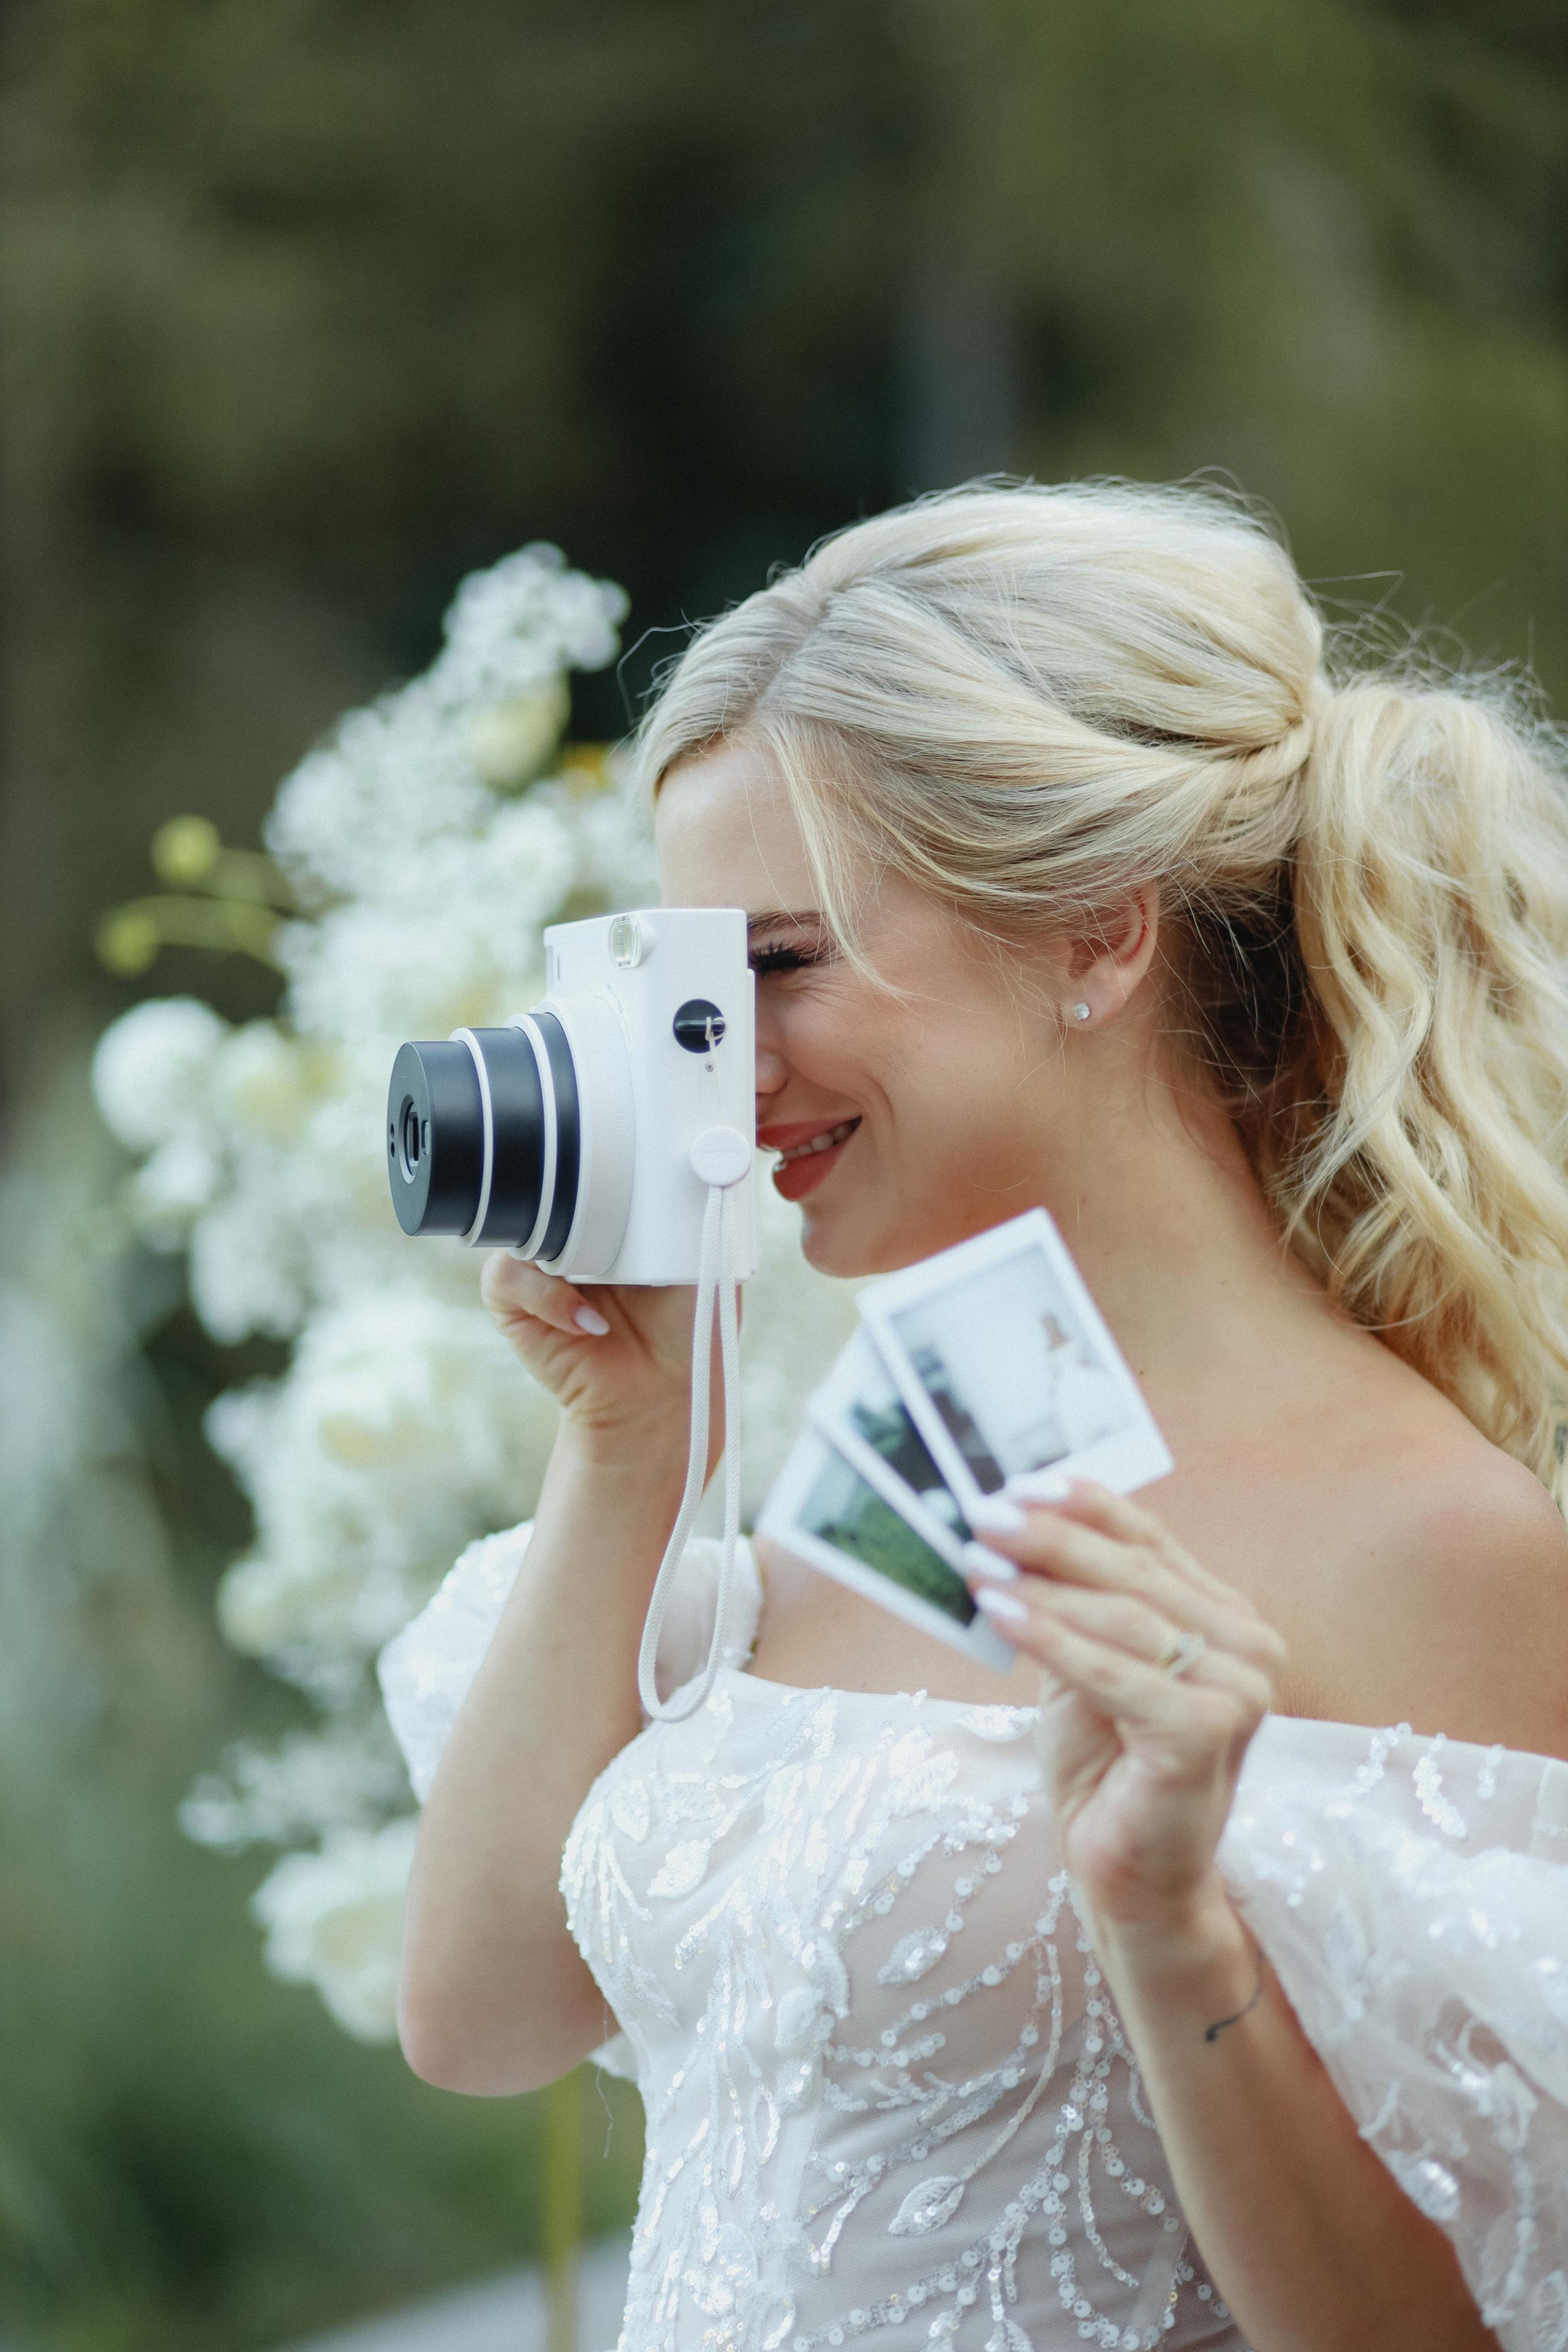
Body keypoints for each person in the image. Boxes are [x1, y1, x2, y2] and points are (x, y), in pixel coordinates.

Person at [381, 482, 1568, 2352]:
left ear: (1098, 936)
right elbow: (479, 2018)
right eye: (693, 986)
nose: (725, 1069)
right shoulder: (860, 1479)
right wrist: (629, 1443)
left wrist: (1175, 1922)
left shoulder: (1444, 1544)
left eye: (777, 965)